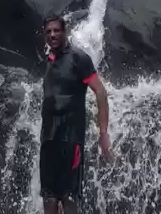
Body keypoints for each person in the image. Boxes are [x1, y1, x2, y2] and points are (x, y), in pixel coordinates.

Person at [39, 15, 111, 214]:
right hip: (48, 140)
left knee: (69, 197)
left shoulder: (78, 58)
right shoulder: (49, 62)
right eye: (48, 31)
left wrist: (103, 133)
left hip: (71, 140)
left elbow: (101, 91)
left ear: (65, 31)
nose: (52, 34)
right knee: (49, 196)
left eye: (56, 30)